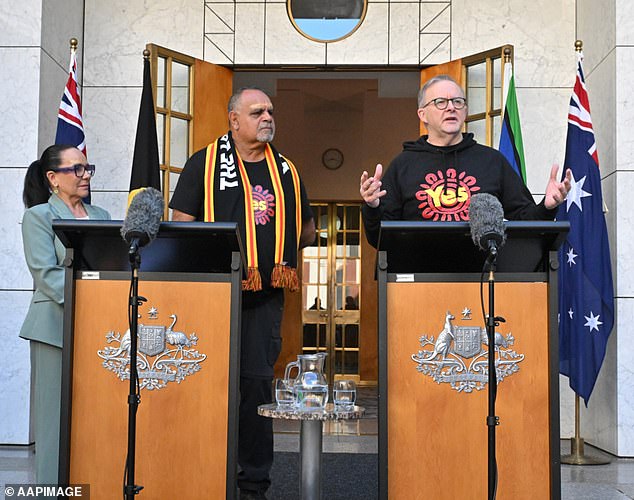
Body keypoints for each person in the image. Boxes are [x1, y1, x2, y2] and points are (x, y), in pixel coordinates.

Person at [169, 87, 316, 500]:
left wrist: (271, 254)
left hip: (265, 300)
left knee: (256, 389)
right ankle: (204, 470)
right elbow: (182, 225)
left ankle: (254, 484)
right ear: (234, 120)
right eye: (257, 112)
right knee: (208, 385)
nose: (268, 117)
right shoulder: (204, 163)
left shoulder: (286, 169)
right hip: (213, 298)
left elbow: (305, 230)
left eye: (270, 111)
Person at [359, 74, 572, 247]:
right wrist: (372, 206)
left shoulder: (492, 161)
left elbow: (526, 223)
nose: (451, 107)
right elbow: (378, 237)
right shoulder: (403, 165)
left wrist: (547, 205)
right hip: (419, 281)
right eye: (440, 102)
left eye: (457, 102)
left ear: (465, 112)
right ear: (423, 114)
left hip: (482, 276)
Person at [20, 145, 111, 484]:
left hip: (100, 332)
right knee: (54, 425)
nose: (85, 175)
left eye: (88, 168)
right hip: (53, 332)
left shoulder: (101, 215)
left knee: (93, 422)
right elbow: (46, 275)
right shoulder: (39, 216)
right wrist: (98, 298)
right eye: (77, 169)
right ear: (53, 178)